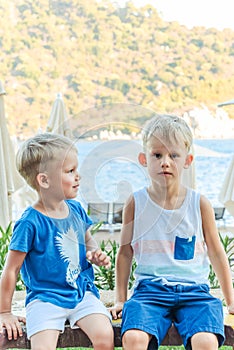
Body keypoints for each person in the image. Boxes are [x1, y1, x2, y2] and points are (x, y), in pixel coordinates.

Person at [111, 114, 234, 350]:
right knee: (134, 339)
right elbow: (125, 253)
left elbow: (217, 252)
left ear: (187, 160)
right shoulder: (135, 203)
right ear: (143, 159)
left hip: (195, 292)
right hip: (149, 292)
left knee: (206, 342)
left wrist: (231, 299)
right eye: (157, 155)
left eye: (173, 155)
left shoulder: (200, 204)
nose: (165, 162)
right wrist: (120, 299)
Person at [0, 133, 114, 350]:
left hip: (82, 293)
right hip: (45, 299)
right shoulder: (29, 223)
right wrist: (4, 312)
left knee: (104, 336)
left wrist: (94, 253)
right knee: (42, 346)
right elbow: (11, 269)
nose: (78, 176)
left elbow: (88, 241)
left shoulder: (76, 210)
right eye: (70, 171)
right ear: (44, 180)